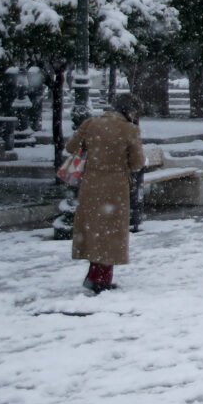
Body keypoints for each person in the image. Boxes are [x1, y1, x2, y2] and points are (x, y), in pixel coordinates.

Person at [66, 92, 145, 294]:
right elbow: (137, 163)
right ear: (129, 111)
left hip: (90, 185)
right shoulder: (130, 130)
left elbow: (70, 147)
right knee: (110, 234)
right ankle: (102, 279)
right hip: (115, 187)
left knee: (94, 230)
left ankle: (93, 274)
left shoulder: (90, 124)